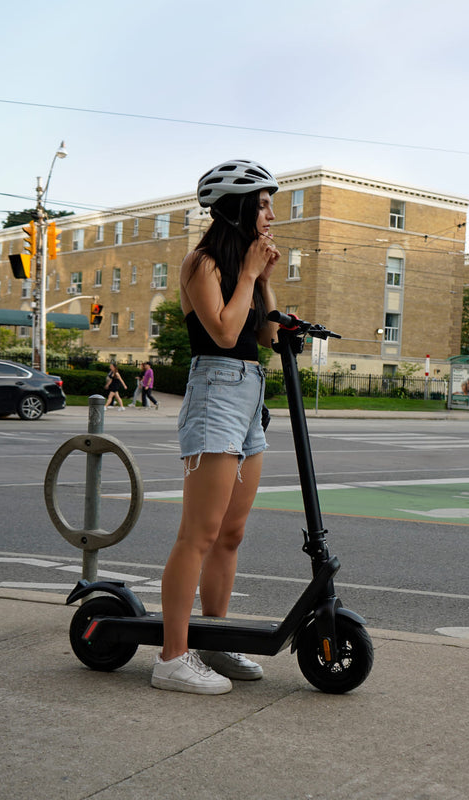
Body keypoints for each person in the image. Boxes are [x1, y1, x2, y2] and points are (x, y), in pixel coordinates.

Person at [152, 159, 281, 695]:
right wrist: (248, 275)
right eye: (263, 204)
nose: (271, 214)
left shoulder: (245, 269)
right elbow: (225, 335)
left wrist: (264, 282)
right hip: (216, 392)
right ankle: (171, 658)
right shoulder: (200, 263)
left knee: (232, 533)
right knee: (199, 533)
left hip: (250, 394)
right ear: (237, 209)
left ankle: (214, 642)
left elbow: (269, 339)